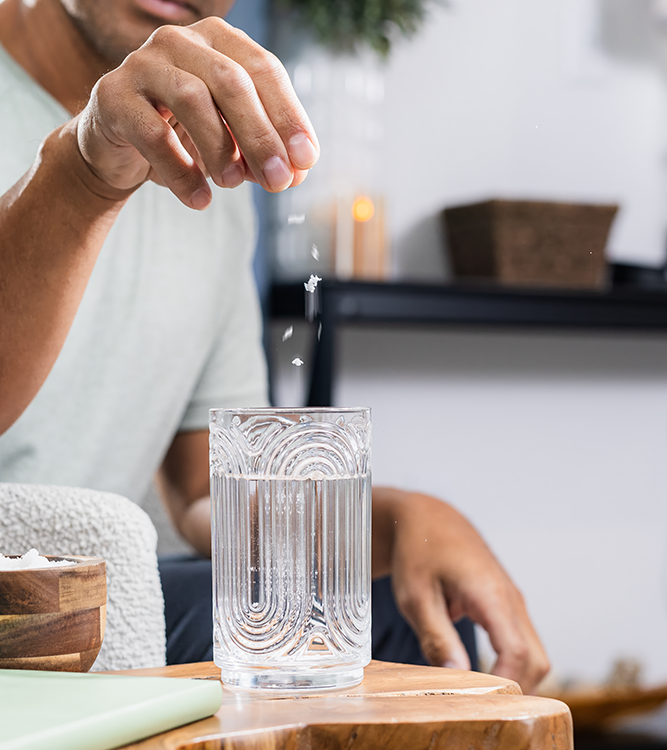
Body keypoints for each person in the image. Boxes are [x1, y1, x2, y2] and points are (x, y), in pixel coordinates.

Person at [0, 0, 549, 692]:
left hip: (116, 599)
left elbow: (203, 491)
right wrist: (84, 172)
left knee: (402, 615)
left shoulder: (210, 168)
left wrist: (396, 519)